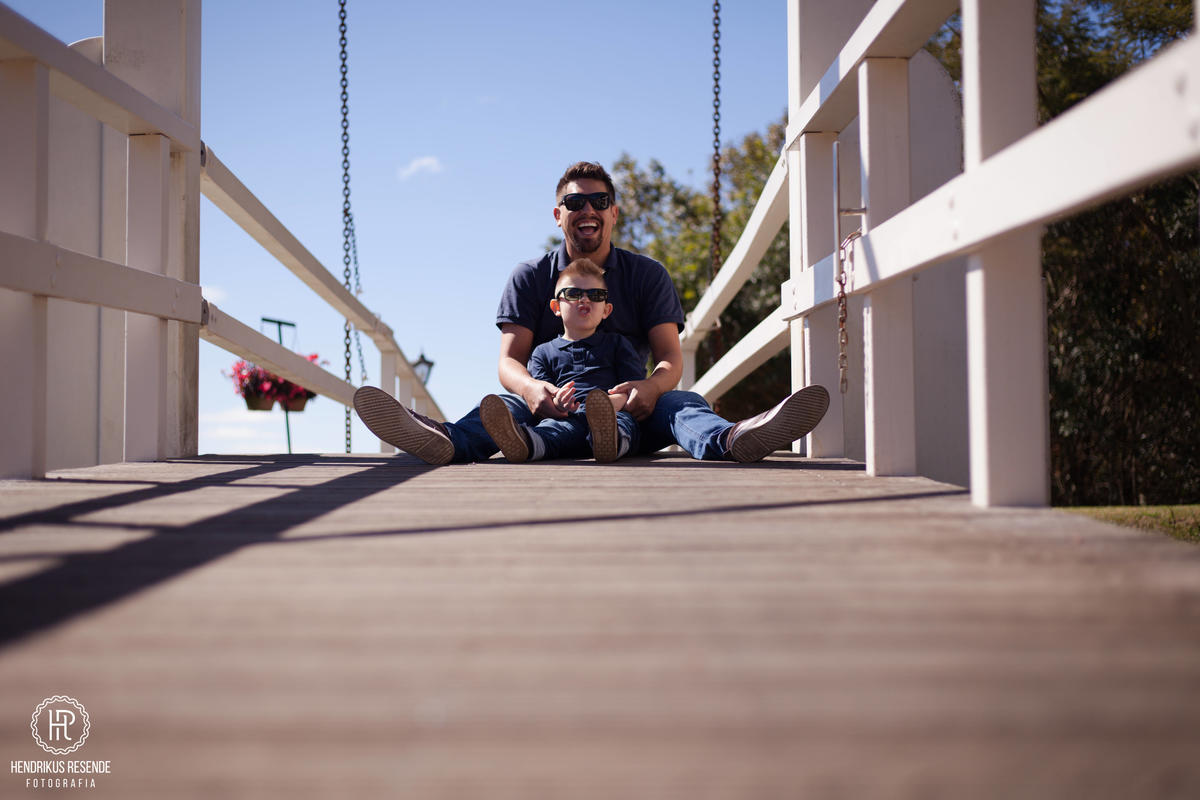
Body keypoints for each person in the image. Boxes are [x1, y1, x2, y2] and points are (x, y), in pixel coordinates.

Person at [353, 160, 829, 465]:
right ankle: (447, 441)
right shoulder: (529, 276)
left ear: (614, 213)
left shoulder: (647, 275)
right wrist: (533, 389)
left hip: (624, 418)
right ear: (557, 215)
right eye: (574, 202)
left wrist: (648, 386)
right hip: (551, 418)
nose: (587, 209)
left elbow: (669, 359)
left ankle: (732, 440)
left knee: (681, 402)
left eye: (599, 201)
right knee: (507, 406)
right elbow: (509, 362)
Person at [480, 257, 643, 464]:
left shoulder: (618, 345)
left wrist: (610, 405)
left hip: (612, 414)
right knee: (550, 430)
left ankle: (611, 443)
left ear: (606, 310)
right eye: (574, 294)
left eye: (595, 295)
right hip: (568, 418)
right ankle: (525, 443)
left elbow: (632, 389)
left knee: (624, 424)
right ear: (556, 307)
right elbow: (543, 394)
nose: (585, 300)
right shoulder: (542, 352)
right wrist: (558, 402)